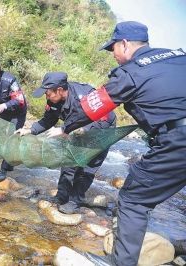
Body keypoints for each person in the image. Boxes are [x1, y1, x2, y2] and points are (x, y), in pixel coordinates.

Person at [51, 21, 186, 266]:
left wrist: (65, 128)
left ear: (124, 44)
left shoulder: (132, 72)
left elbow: (92, 107)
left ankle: (120, 263)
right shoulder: (178, 57)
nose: (112, 54)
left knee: (134, 199)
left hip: (178, 141)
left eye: (112, 48)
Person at [15, 72, 116, 214]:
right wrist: (30, 130)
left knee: (86, 167)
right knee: (68, 162)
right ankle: (61, 196)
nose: (47, 97)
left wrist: (79, 130)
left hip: (101, 131)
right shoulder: (53, 100)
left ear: (60, 90)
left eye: (48, 94)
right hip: (72, 130)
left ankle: (75, 200)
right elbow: (48, 120)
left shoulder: (87, 95)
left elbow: (105, 118)